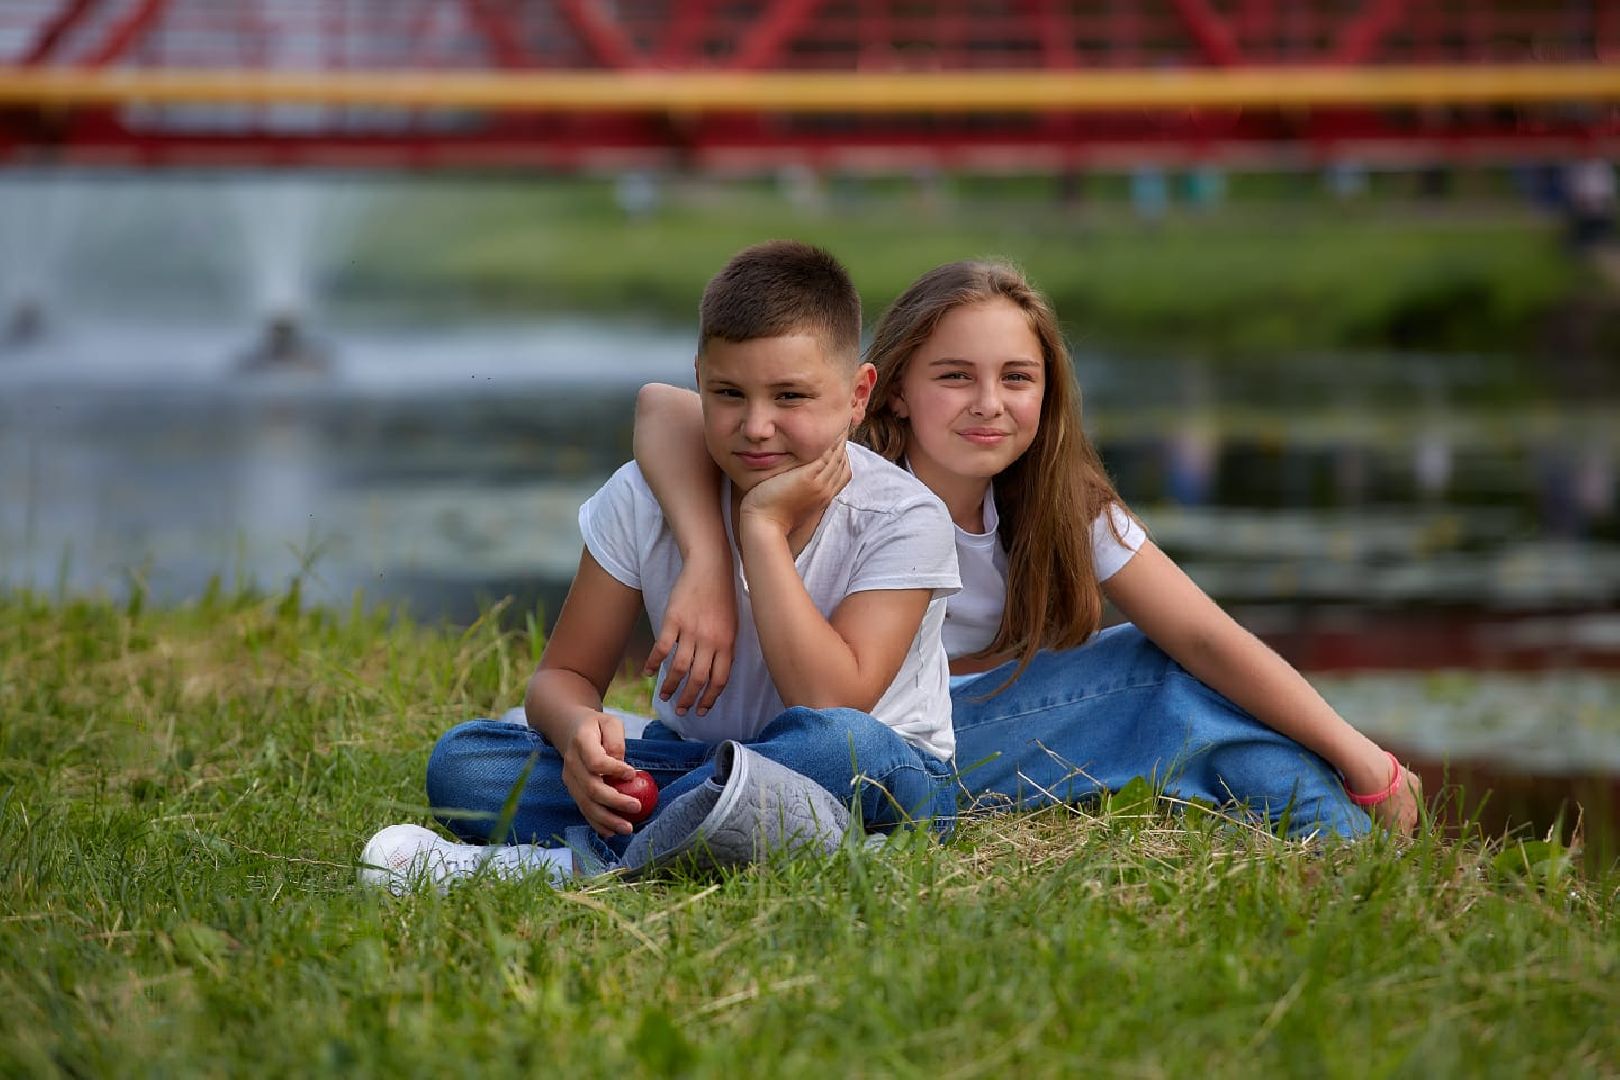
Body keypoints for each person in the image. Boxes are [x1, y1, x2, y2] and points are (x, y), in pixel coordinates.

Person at [633, 259, 1422, 839]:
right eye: (954, 377)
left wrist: (1361, 758)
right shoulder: (842, 471)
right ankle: (1347, 834)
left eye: (1017, 378)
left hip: (957, 738)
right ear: (893, 388)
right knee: (1157, 681)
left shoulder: (1058, 500)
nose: (988, 405)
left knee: (1196, 693)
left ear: (1047, 394)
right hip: (885, 746)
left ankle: (1342, 829)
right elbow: (666, 407)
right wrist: (708, 557)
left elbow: (1205, 632)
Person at [360, 241, 960, 891]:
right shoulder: (644, 499)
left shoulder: (903, 515)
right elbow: (561, 676)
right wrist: (578, 735)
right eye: (729, 393)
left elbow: (831, 700)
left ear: (857, 395)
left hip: (883, 778)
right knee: (466, 766)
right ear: (699, 380)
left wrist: (761, 531)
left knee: (844, 742)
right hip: (693, 763)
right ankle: (737, 832)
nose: (757, 426)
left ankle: (573, 865)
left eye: (790, 396)